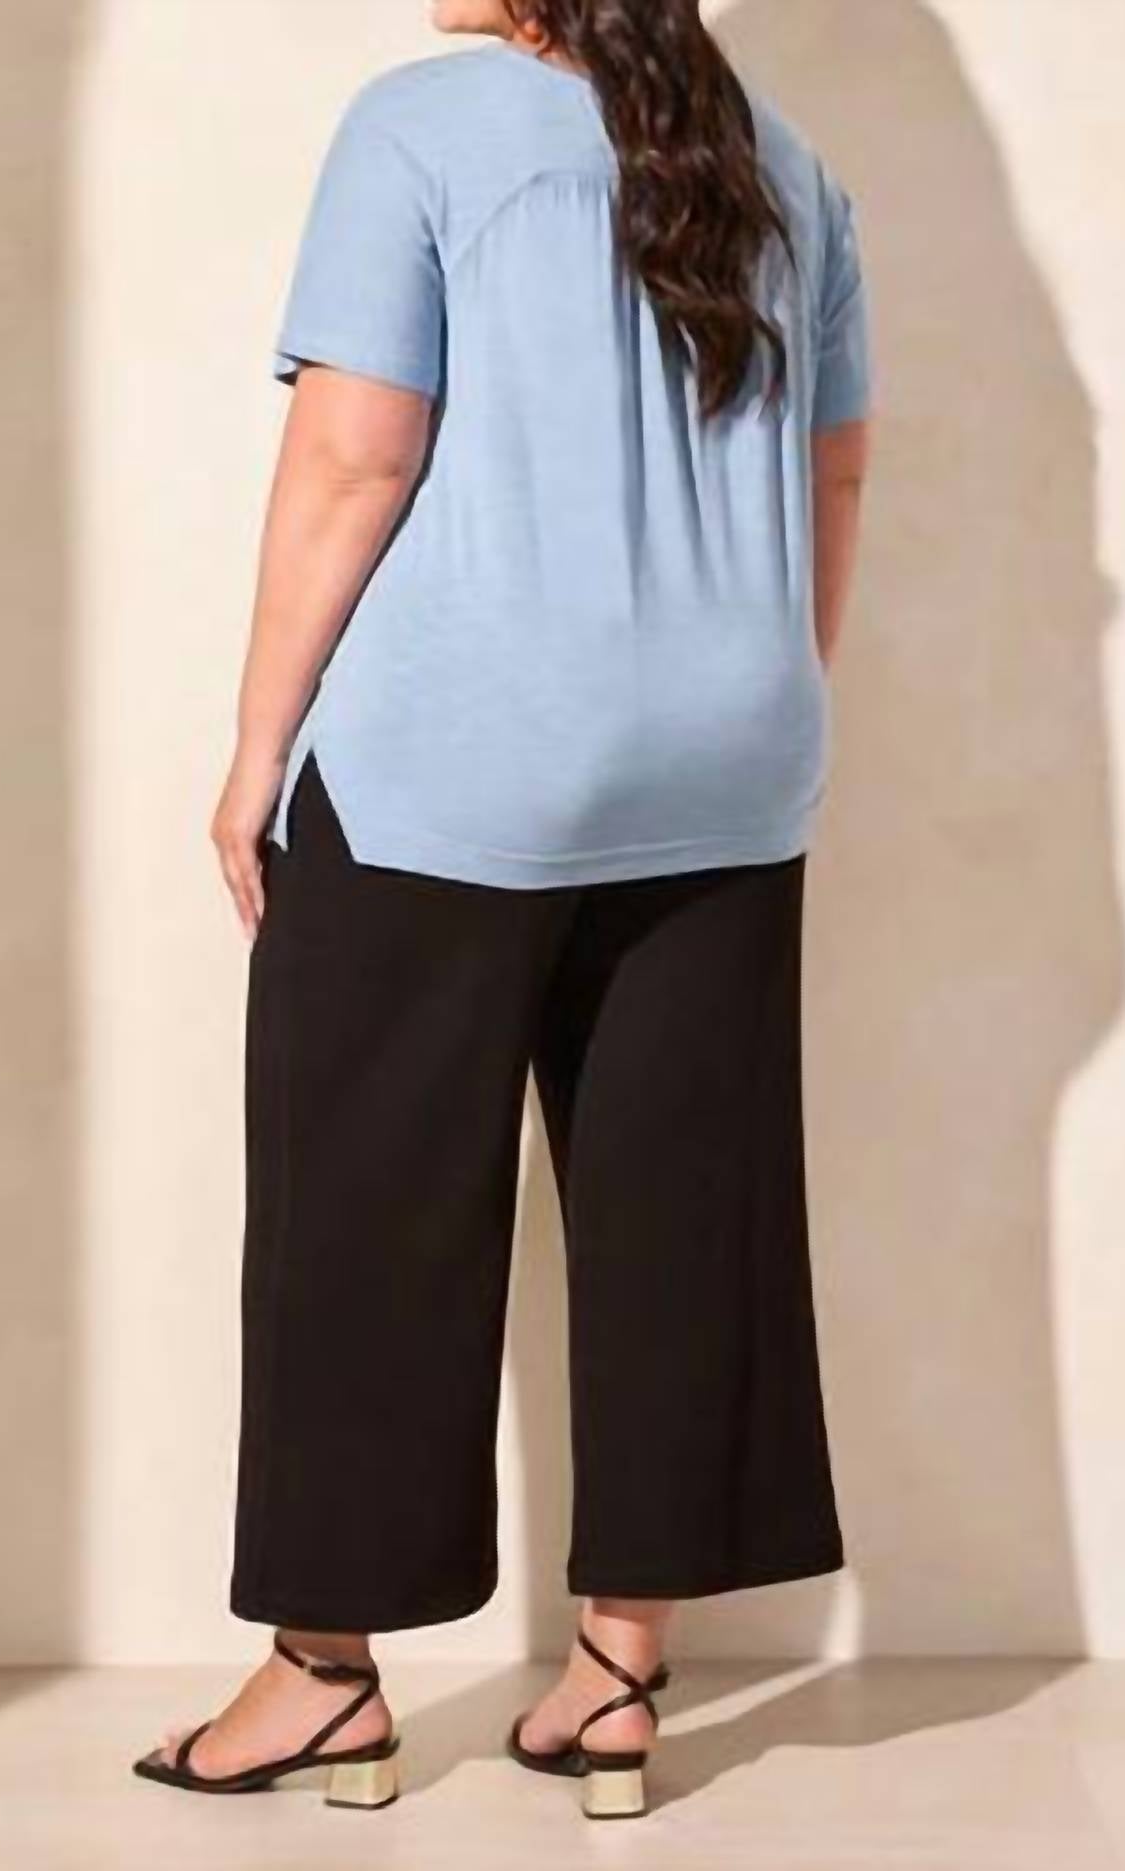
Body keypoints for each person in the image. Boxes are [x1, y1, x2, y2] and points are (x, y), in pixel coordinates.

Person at [134, 0, 872, 1822]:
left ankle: (324, 1677)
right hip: (727, 758)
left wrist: (257, 746)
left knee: (364, 1207)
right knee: (681, 1214)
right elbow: (835, 468)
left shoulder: (423, 125)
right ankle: (619, 1677)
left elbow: (355, 456)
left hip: (458, 761)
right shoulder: (785, 160)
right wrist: (750, 691)